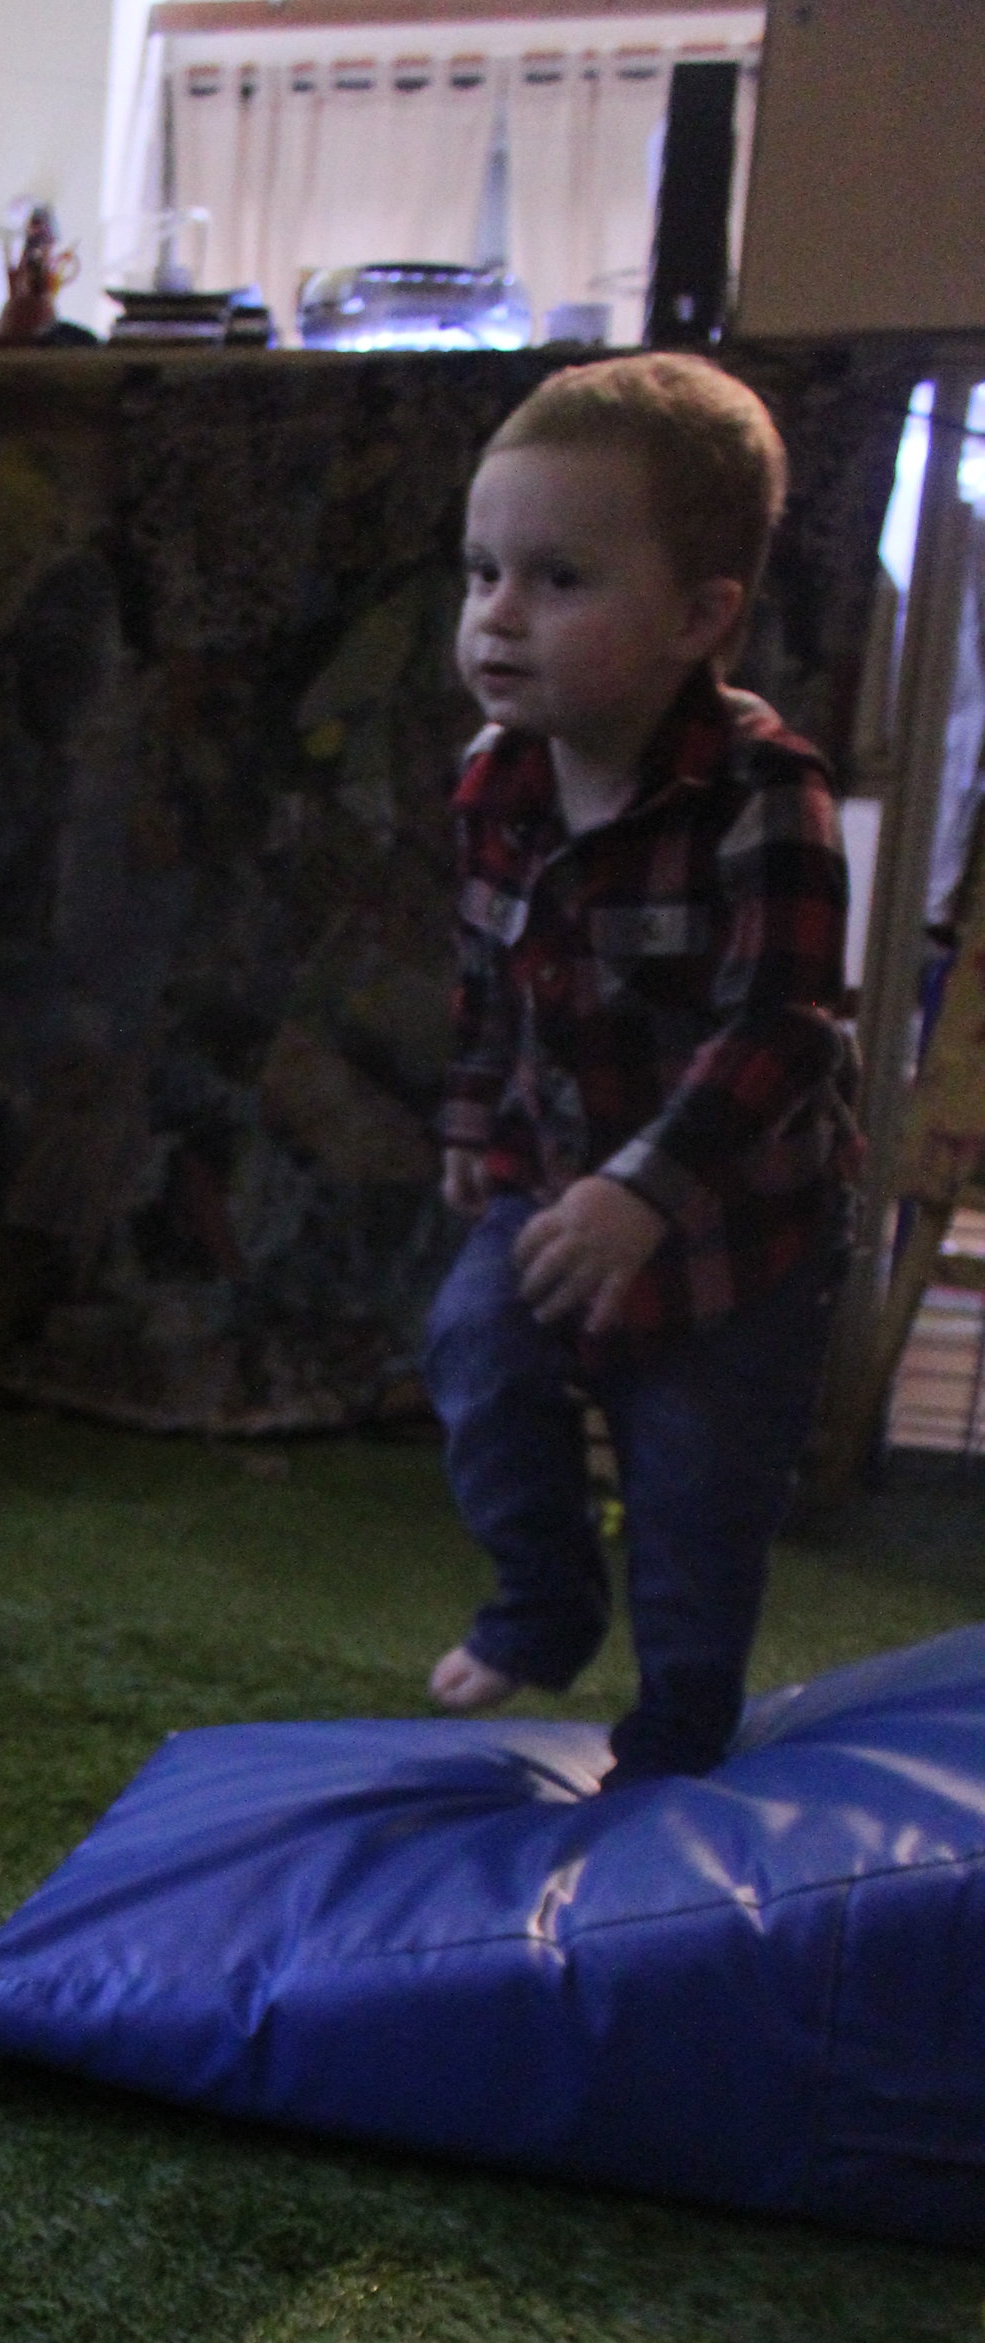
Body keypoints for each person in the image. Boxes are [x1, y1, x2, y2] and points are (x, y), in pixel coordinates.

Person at [422, 353, 860, 1781]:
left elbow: (787, 1025)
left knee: (697, 1482)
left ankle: (677, 1730)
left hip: (738, 1231)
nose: (499, 614)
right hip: (554, 1184)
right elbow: (490, 978)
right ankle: (543, 1601)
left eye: (558, 580)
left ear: (698, 617)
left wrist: (649, 1193)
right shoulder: (498, 775)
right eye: (483, 571)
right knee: (478, 1345)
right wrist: (475, 1127)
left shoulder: (765, 792)